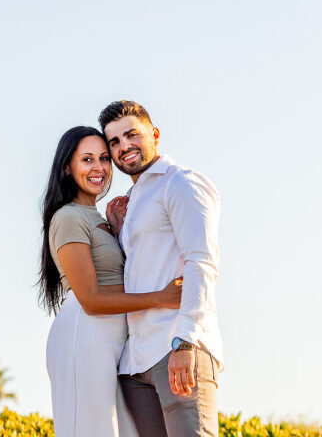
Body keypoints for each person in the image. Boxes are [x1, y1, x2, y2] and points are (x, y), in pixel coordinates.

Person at [39, 125, 183, 437]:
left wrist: (118, 232)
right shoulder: (68, 217)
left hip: (109, 340)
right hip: (85, 333)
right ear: (68, 166)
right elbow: (91, 299)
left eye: (104, 158)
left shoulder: (97, 218)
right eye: (87, 159)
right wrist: (160, 297)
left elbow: (118, 276)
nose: (99, 167)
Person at [100, 100, 223, 437]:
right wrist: (118, 231)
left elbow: (202, 262)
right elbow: (143, 269)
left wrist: (185, 343)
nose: (124, 146)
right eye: (114, 142)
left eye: (131, 135)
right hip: (135, 363)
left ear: (154, 134)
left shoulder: (180, 183)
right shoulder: (135, 199)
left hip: (175, 347)